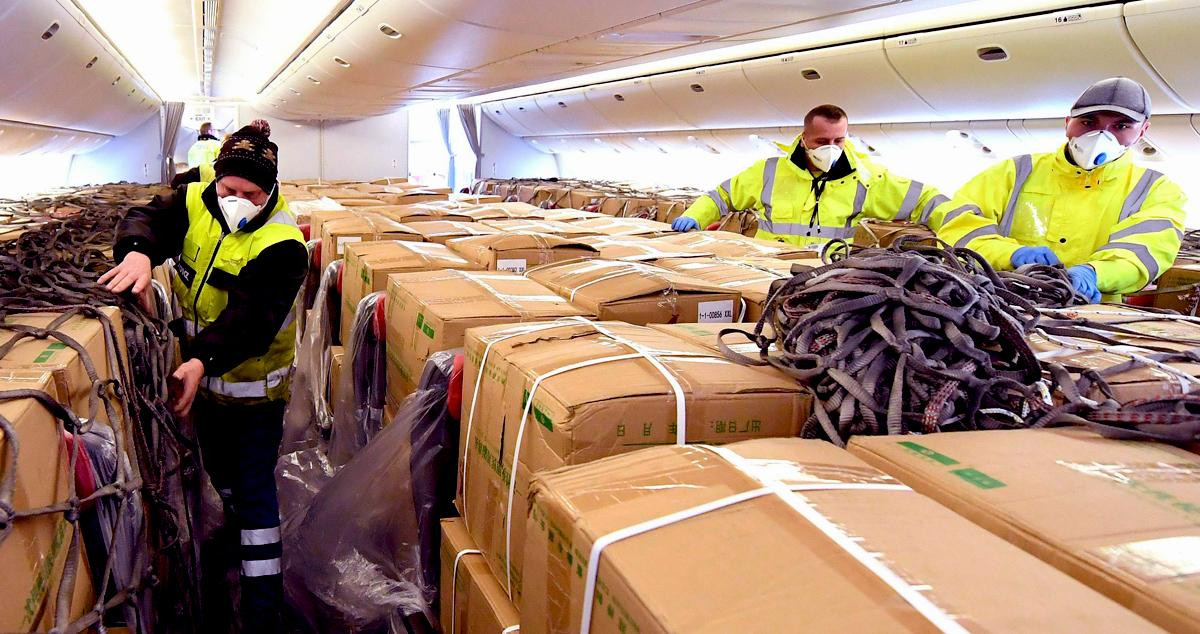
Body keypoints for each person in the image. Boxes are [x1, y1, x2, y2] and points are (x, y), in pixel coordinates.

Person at [100, 122, 306, 632]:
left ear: (270, 191)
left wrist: (199, 360)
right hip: (206, 393)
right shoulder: (196, 201)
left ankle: (263, 607)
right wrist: (138, 253)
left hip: (256, 396)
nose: (236, 200)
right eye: (228, 189)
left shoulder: (284, 243)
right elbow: (146, 218)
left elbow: (251, 323)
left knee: (256, 493)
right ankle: (234, 526)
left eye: (249, 194)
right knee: (221, 475)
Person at [937, 77, 1187, 302]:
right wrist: (1011, 254)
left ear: (1142, 131)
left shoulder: (1157, 190)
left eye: (1121, 127)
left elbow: (1141, 256)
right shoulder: (1013, 172)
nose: (1101, 135)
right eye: (1088, 122)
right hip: (996, 300)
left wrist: (1094, 273)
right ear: (1068, 124)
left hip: (1089, 314)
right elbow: (959, 228)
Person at [671, 104, 955, 246]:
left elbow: (926, 200)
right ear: (805, 138)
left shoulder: (867, 178)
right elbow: (721, 197)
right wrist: (696, 215)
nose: (831, 149)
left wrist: (962, 230)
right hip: (767, 270)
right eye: (822, 142)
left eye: (839, 141)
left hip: (828, 277)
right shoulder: (769, 171)